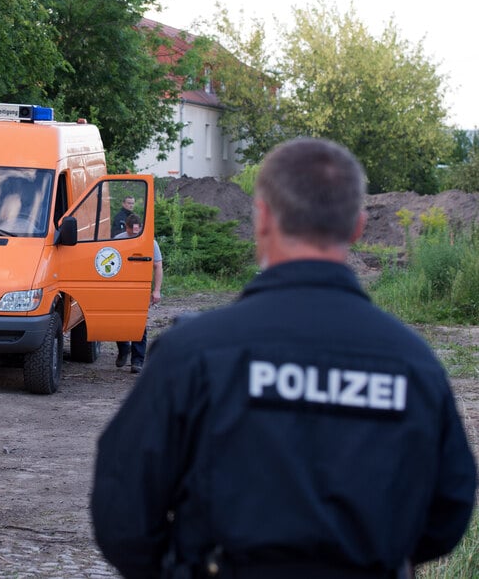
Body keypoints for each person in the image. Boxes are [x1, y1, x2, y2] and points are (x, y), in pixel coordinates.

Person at [91, 137, 477, 578]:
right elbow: (448, 511)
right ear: (357, 227)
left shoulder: (193, 354)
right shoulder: (413, 364)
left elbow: (122, 508)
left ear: (263, 219)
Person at [114, 213, 163, 374]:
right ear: (126, 227)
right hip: (121, 288)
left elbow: (158, 266)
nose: (133, 234)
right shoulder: (118, 240)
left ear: (140, 228)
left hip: (140, 287)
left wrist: (156, 290)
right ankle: (123, 349)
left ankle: (137, 360)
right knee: (119, 322)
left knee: (139, 324)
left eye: (137, 232)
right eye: (131, 232)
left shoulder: (151, 242)